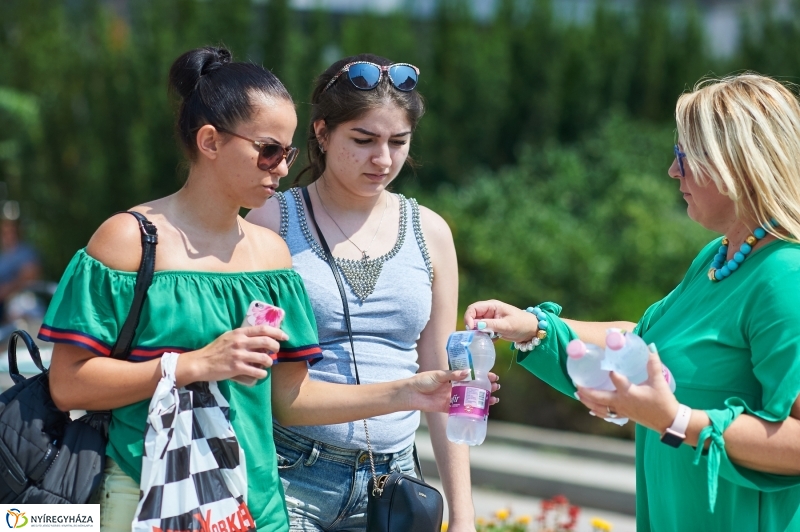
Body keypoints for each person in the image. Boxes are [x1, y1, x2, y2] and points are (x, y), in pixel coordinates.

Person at [41, 47, 468, 532]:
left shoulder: (270, 254)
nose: (283, 168)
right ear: (210, 141)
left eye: (286, 153)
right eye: (268, 151)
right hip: (148, 490)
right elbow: (68, 383)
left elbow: (288, 398)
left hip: (253, 501)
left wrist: (410, 391)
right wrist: (192, 365)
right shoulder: (129, 239)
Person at [465, 73, 800, 532]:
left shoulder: (785, 276)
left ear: (735, 165)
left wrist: (676, 419)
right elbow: (644, 340)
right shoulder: (720, 256)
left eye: (683, 155)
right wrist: (533, 326)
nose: (672, 170)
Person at [246, 54, 489, 531]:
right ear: (321, 132)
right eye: (363, 140)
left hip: (395, 484)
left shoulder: (431, 231)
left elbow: (444, 376)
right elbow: (255, 379)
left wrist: (463, 514)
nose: (383, 159)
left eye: (398, 142)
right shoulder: (270, 222)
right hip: (291, 475)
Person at [0, 213, 40, 321]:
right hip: (4, 304)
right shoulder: (3, 256)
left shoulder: (26, 252)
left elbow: (29, 277)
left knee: (23, 310)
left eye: (12, 229)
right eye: (5, 231)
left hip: (20, 299)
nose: (9, 234)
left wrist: (5, 291)